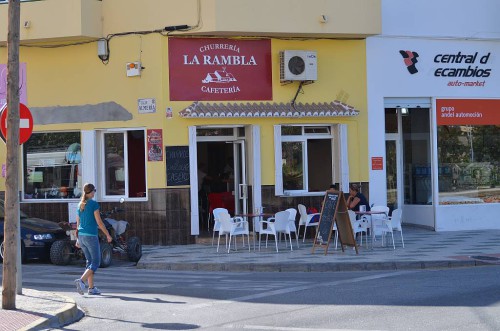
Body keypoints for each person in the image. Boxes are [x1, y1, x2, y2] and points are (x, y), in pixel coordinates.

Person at [74, 183, 112, 295]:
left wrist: (77, 238)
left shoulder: (80, 204)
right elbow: (99, 222)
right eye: (94, 190)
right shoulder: (94, 204)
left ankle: (91, 288)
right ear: (90, 192)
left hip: (81, 235)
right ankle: (81, 281)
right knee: (96, 262)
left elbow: (78, 223)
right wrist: (108, 234)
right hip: (91, 235)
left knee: (89, 262)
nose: (95, 192)